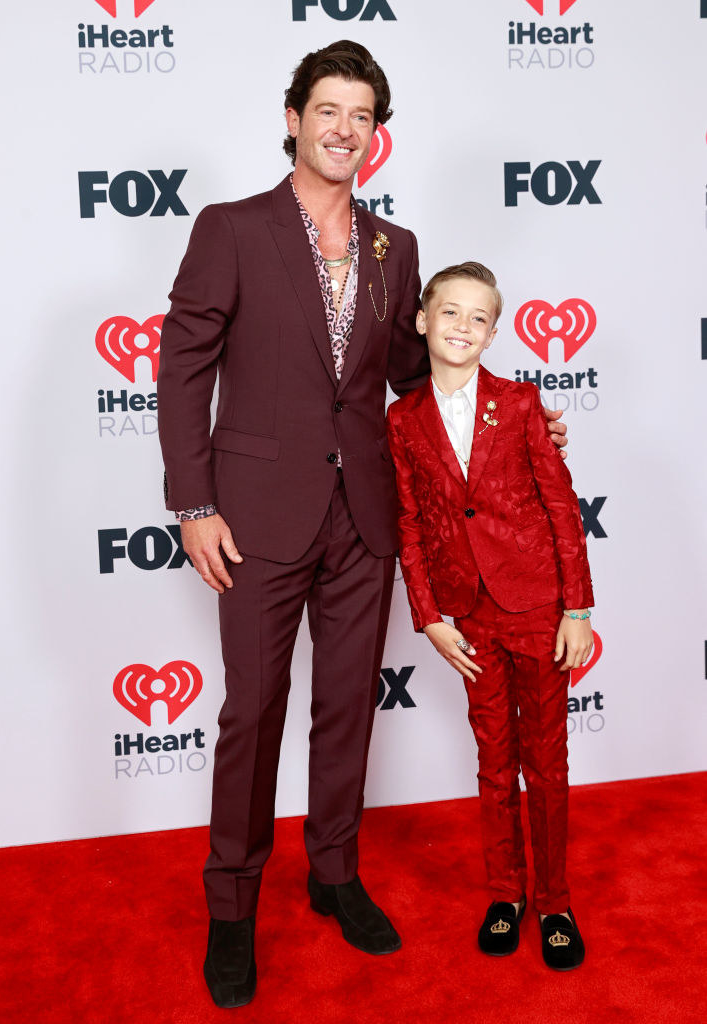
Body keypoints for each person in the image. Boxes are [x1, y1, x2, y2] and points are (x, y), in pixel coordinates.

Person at [157, 43, 568, 1008]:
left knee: (346, 707)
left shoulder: (397, 248)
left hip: (366, 518)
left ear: (377, 134)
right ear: (294, 116)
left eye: (362, 115)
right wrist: (193, 503)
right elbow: (183, 368)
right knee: (252, 713)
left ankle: (333, 874)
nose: (344, 129)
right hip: (254, 515)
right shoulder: (232, 228)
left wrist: (511, 411)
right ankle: (232, 906)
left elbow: (416, 380)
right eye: (328, 110)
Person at [386, 261, 593, 971]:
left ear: (494, 332)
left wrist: (576, 607)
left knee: (547, 762)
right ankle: (505, 894)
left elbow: (562, 507)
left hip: (535, 607)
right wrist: (428, 615)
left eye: (479, 318)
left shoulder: (523, 402)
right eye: (450, 313)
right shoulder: (401, 418)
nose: (463, 328)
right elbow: (409, 524)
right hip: (466, 617)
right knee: (493, 763)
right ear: (421, 320)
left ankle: (554, 901)